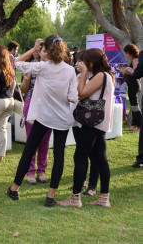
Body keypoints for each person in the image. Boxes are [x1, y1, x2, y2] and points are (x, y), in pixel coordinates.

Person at [7, 36, 78, 207]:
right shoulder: (69, 70)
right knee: (59, 155)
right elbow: (73, 97)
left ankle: (15, 188)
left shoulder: (43, 67)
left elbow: (17, 62)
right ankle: (50, 195)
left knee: (29, 151)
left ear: (47, 49)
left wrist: (33, 50)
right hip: (61, 118)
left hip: (43, 117)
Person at [58, 48, 115, 208]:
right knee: (100, 158)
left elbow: (81, 94)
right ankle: (104, 198)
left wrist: (82, 75)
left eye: (83, 61)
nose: (79, 63)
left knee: (80, 156)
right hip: (99, 123)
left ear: (91, 62)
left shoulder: (100, 76)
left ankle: (75, 198)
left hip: (92, 123)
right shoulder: (106, 76)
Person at [20, 47, 51, 184]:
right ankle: (30, 171)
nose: (42, 53)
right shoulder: (31, 67)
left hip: (48, 106)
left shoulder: (54, 68)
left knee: (44, 140)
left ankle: (42, 171)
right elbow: (23, 90)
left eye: (45, 51)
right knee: (31, 139)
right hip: (31, 103)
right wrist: (26, 79)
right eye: (41, 50)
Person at [120, 44, 140, 132]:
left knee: (135, 106)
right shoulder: (134, 59)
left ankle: (139, 126)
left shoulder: (136, 59)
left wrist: (125, 70)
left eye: (127, 53)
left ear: (130, 52)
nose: (126, 54)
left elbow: (134, 73)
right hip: (132, 84)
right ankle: (134, 125)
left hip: (134, 84)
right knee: (133, 106)